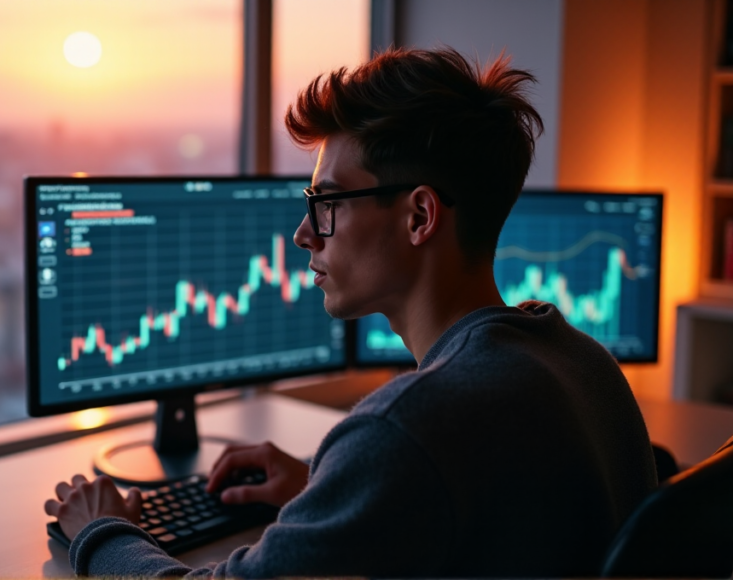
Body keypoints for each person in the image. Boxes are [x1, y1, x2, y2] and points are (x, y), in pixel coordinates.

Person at [44, 46, 658, 577]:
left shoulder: (403, 428)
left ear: (419, 217)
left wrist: (102, 531)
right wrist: (330, 488)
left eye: (328, 202)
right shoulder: (584, 362)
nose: (304, 235)